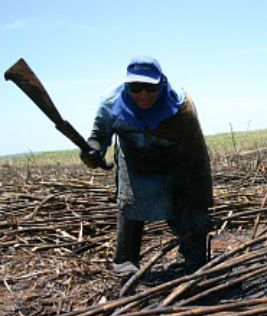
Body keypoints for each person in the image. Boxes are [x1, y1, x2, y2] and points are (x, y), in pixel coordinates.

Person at [80, 56, 213, 274]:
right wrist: (91, 152)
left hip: (174, 161)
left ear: (161, 83)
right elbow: (97, 138)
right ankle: (125, 261)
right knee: (130, 203)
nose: (143, 95)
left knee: (189, 209)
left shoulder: (181, 107)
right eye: (136, 87)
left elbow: (196, 157)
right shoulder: (110, 103)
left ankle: (194, 258)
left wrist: (202, 202)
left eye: (150, 88)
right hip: (133, 160)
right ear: (127, 85)